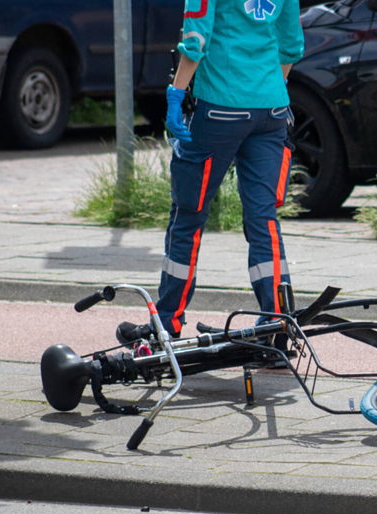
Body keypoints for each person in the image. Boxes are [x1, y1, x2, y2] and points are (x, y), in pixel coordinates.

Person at [117, 0, 304, 345]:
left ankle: (166, 325)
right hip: (272, 110)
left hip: (219, 109)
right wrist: (264, 90)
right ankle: (277, 326)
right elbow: (291, 45)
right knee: (263, 218)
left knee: (188, 216)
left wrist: (175, 94)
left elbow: (196, 41)